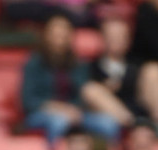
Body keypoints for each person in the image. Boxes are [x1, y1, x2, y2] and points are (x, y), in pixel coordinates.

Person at [20, 13, 118, 143]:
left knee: (108, 123)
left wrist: (75, 110)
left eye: (64, 34)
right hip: (42, 114)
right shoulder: (34, 63)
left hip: (75, 113)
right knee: (59, 121)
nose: (60, 38)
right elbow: (28, 101)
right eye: (56, 34)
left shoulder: (79, 64)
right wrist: (59, 108)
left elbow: (82, 95)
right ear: (46, 36)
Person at [85, 18, 158, 140]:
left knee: (155, 69)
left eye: (120, 36)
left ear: (128, 40)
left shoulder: (137, 66)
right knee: (91, 90)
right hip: (113, 121)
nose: (116, 40)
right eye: (111, 36)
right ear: (102, 39)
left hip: (140, 110)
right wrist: (105, 88)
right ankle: (134, 125)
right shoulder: (90, 67)